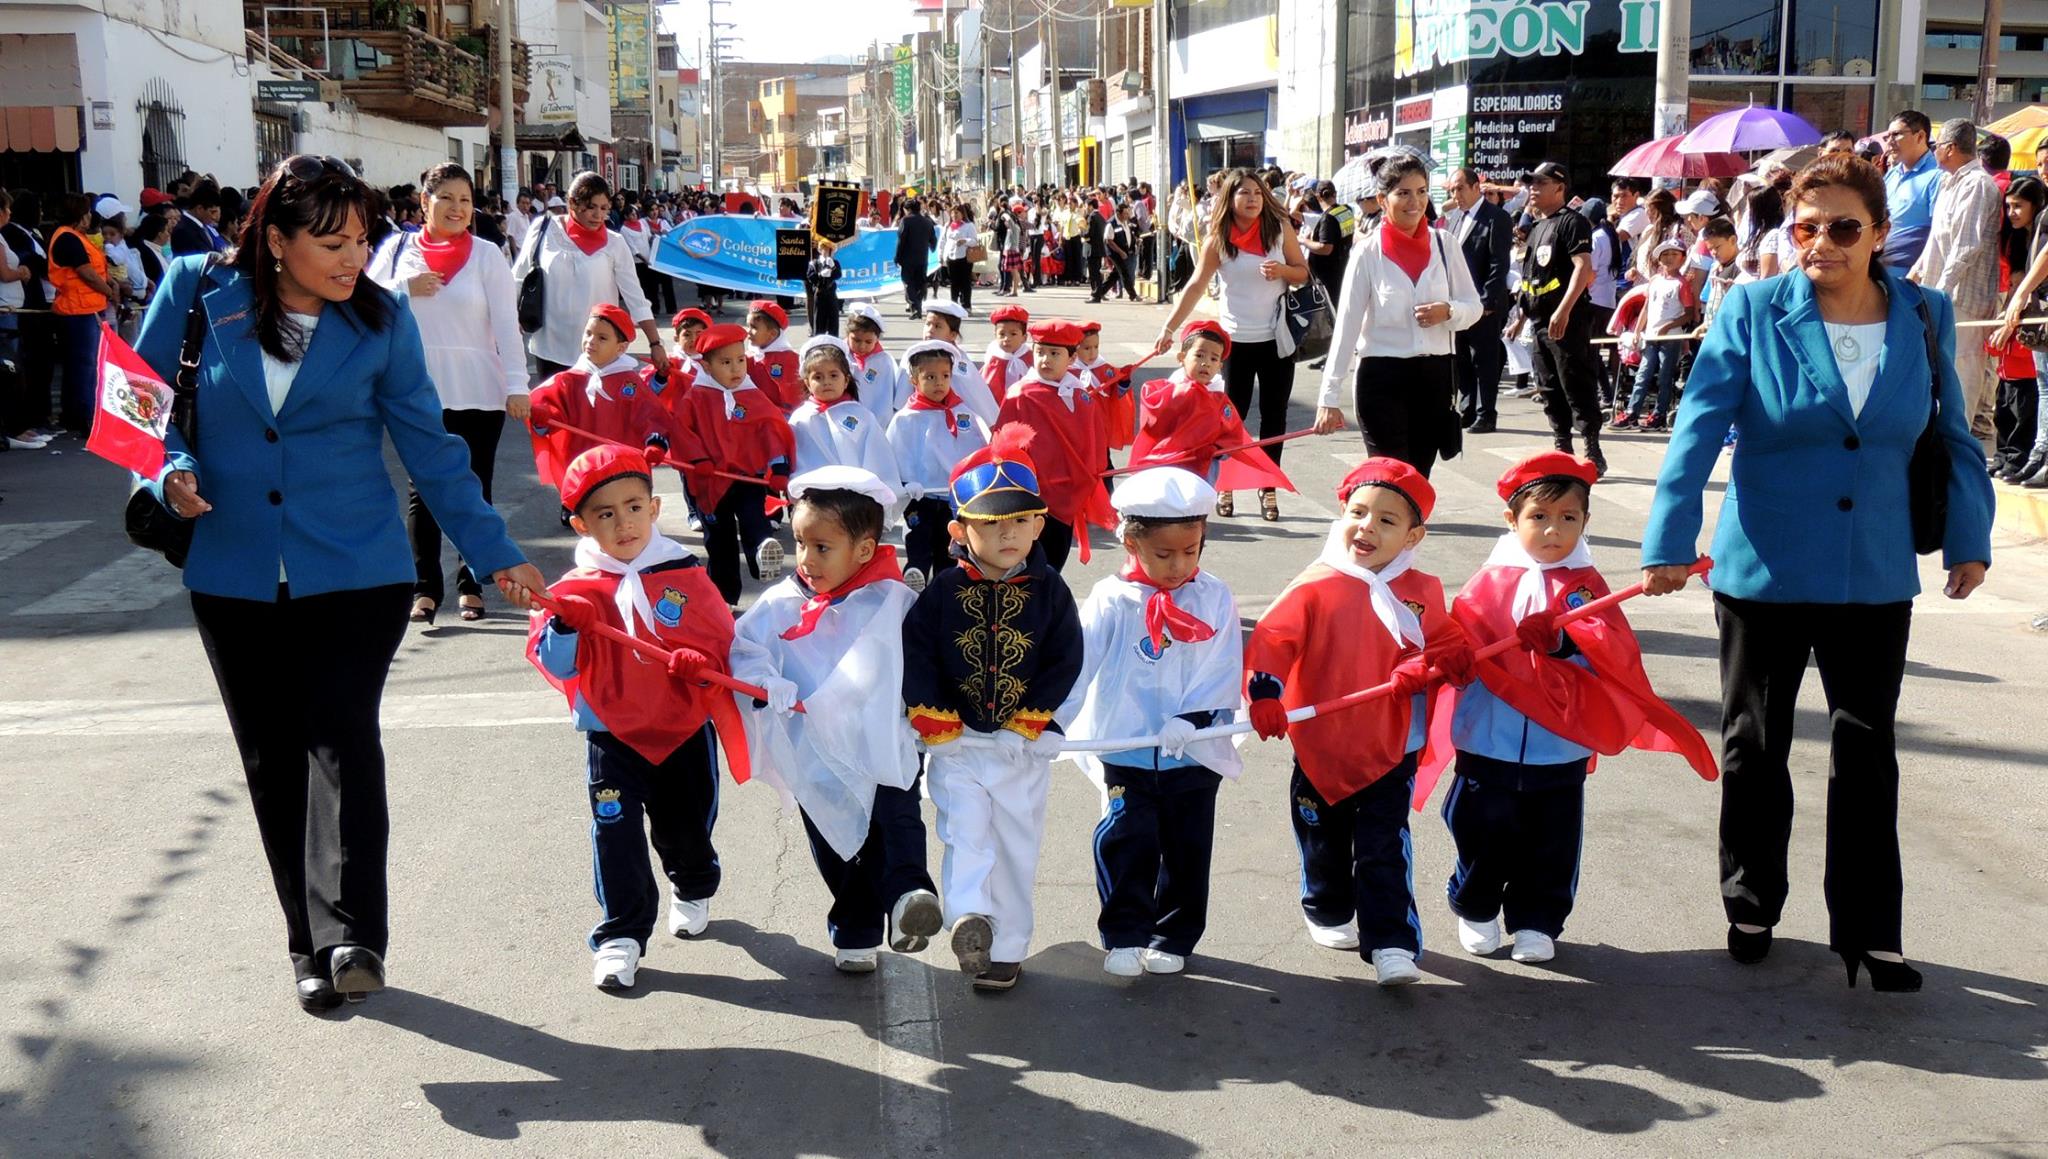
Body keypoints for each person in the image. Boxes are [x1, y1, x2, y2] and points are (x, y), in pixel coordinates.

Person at [141, 155, 545, 1012]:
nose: (354, 257)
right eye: (331, 243)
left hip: (358, 569)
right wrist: (168, 468)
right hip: (233, 570)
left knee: (341, 736)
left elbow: (432, 448)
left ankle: (354, 933)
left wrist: (495, 550)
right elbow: (137, 405)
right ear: (275, 240)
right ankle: (307, 944)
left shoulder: (381, 316)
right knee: (272, 761)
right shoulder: (195, 290)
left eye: (362, 238)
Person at [1639, 155, 1995, 993]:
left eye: (1842, 227)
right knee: (1755, 743)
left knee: (1867, 750)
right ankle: (1751, 899)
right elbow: (1698, 426)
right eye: (1805, 227)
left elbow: (1952, 434)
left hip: (1874, 572)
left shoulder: (1925, 313)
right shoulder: (1755, 308)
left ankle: (1872, 930)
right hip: (1763, 571)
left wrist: (1968, 540)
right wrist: (1668, 537)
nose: (1821, 243)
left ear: (1880, 234)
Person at [1422, 452, 1715, 964]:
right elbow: (1460, 639)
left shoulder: (1586, 586)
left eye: (1568, 517)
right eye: (1538, 516)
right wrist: (1450, 657)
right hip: (1487, 738)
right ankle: (1476, 904)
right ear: (1511, 519)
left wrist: (1564, 643)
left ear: (1585, 521)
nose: (1553, 530)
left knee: (1552, 840)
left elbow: (1613, 652)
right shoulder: (1487, 583)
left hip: (1560, 746)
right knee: (1478, 827)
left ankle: (1538, 919)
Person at [1243, 458, 1470, 987]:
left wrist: (1432, 662)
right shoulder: (1316, 584)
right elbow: (1273, 640)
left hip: (1391, 744)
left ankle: (1392, 942)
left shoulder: (1421, 590)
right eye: (1358, 512)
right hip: (1322, 744)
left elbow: (1449, 643)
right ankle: (1326, 907)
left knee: (1382, 845)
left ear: (1412, 536)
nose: (1367, 527)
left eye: (1387, 520)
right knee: (1322, 837)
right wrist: (1264, 693)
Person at [529, 445, 747, 990]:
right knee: (615, 833)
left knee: (685, 826)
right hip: (612, 736)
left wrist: (700, 661)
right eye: (605, 513)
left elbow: (723, 641)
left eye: (633, 507)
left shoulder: (685, 574)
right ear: (582, 524)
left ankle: (692, 882)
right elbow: (555, 663)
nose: (623, 523)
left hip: (682, 731)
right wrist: (566, 626)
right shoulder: (572, 590)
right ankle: (621, 934)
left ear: (654, 508)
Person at [729, 468, 944, 972]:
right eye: (800, 542)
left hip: (883, 742)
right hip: (817, 750)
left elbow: (927, 662)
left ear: (865, 550)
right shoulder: (782, 603)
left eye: (822, 547)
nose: (806, 558)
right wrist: (766, 682)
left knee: (898, 818)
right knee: (835, 839)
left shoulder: (895, 601)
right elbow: (745, 650)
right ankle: (856, 928)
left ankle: (910, 896)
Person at [901, 425, 1085, 992]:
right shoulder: (941, 592)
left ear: (1039, 525)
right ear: (959, 531)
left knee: (1014, 846)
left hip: (1018, 750)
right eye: (991, 523)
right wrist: (936, 723)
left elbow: (1066, 660)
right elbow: (919, 655)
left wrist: (1037, 721)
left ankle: (1005, 949)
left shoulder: (1051, 592)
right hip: (957, 746)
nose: (1009, 533)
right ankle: (968, 919)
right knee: (965, 831)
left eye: (1021, 521)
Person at [1057, 467, 1243, 978]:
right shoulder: (1111, 598)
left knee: (1188, 847)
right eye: (1164, 554)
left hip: (1194, 748)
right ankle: (1124, 933)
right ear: (1131, 542)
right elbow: (1079, 664)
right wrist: (1051, 721)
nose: (1179, 565)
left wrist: (1194, 716)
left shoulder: (1214, 595)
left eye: (1191, 551)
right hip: (1128, 747)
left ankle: (1173, 934)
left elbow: (1223, 662)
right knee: (1127, 837)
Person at [368, 163, 529, 624]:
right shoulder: (398, 250)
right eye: (446, 198)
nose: (457, 208)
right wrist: (405, 287)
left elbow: (506, 324)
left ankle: (470, 585)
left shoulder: (487, 254)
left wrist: (517, 384)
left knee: (474, 488)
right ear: (425, 202)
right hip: (416, 392)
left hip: (479, 389)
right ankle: (425, 589)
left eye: (465, 200)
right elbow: (361, 298)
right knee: (423, 491)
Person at [1153, 168, 1312, 522]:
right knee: (1230, 418)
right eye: (1244, 193)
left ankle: (1268, 486)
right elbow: (1196, 285)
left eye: (1257, 192)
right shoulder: (1219, 239)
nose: (1253, 199)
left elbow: (1303, 272)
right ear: (1230, 197)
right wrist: (1169, 327)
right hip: (1234, 343)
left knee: (1274, 417)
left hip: (1277, 340)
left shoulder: (1279, 228)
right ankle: (1225, 483)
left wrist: (1283, 271)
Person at [1313, 156, 1482, 478]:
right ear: (1382, 199)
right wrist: (1328, 397)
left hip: (1435, 378)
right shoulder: (1367, 253)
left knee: (1417, 479)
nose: (1414, 202)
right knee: (1390, 479)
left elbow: (1473, 307)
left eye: (1421, 191)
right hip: (1381, 378)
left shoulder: (1445, 244)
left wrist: (1449, 311)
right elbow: (1347, 327)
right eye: (1403, 193)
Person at [675, 322, 794, 605]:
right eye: (726, 362)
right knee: (719, 540)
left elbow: (770, 430)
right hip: (711, 481)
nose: (736, 369)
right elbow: (681, 432)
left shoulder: (752, 395)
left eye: (740, 360)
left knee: (755, 518)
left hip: (747, 477)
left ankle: (761, 553)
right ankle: (724, 596)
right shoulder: (696, 397)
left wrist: (778, 466)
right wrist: (698, 458)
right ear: (706, 366)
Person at [511, 171, 668, 380]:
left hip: (599, 351)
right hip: (550, 348)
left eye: (604, 208)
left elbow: (636, 298)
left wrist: (655, 343)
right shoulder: (544, 229)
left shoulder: (615, 243)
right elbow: (517, 278)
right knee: (552, 402)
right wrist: (506, 322)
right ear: (572, 203)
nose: (598, 215)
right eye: (591, 207)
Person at [993, 319, 1116, 570]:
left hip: (1070, 494)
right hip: (1032, 496)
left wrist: (1090, 476)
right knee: (1026, 565)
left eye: (1054, 354)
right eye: (1040, 352)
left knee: (1054, 564)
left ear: (1072, 358)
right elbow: (1002, 447)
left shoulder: (1080, 395)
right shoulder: (1021, 394)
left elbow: (1095, 442)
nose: (1045, 359)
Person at [1909, 118, 2004, 440]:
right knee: (1938, 368)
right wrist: (1916, 274)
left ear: (1949, 148)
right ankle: (1939, 440)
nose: (1933, 151)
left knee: (1962, 372)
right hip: (1938, 291)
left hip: (1963, 296)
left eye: (1936, 146)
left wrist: (1941, 292)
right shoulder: (1948, 182)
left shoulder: (1977, 184)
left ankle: (1958, 444)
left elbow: (1967, 246)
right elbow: (1937, 239)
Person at [1517, 162, 1608, 475]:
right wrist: (1520, 318)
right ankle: (1562, 447)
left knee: (1576, 382)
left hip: (1567, 320)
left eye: (1540, 183)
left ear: (1559, 187)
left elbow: (1583, 267)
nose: (1533, 189)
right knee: (1548, 387)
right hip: (1539, 321)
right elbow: (1532, 278)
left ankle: (1592, 448)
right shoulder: (1537, 227)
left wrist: (1564, 309)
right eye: (1531, 183)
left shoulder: (1572, 222)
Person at [888, 339, 991, 589]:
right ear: (914, 380)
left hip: (952, 497)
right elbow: (894, 454)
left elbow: (976, 449)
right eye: (930, 377)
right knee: (918, 539)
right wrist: (905, 482)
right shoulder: (906, 418)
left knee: (949, 545)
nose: (939, 383)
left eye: (945, 376)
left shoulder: (963, 412)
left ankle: (946, 588)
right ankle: (915, 575)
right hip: (920, 496)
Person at [788, 335, 901, 504]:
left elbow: (878, 458)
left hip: (853, 499)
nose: (826, 382)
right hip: (814, 499)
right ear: (807, 382)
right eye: (818, 377)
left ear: (846, 379)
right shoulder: (801, 418)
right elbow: (796, 460)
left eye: (834, 375)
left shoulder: (862, 416)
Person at [1445, 167, 1514, 434]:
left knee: (1484, 360)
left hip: (1485, 304)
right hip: (1458, 303)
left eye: (1460, 188)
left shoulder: (1496, 217)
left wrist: (1487, 301)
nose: (1456, 195)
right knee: (1461, 357)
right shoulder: (1454, 218)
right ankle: (1468, 408)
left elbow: (1499, 264)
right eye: (1452, 190)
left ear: (1476, 187)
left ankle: (1487, 413)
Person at [1992, 175, 2048, 485]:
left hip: (2036, 318)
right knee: (2032, 390)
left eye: (2018, 206)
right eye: (2008, 206)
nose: (2011, 213)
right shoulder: (2018, 238)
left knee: (2034, 392)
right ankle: (2027, 456)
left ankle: (2030, 456)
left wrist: (2019, 300)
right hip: (2029, 319)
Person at [1611, 241, 1697, 431]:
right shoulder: (1655, 280)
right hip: (1650, 336)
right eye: (1665, 255)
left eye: (1674, 255)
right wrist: (1637, 331)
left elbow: (1689, 313)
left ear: (1682, 258)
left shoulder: (1681, 284)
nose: (1669, 259)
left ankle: (1659, 414)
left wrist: (1669, 326)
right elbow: (1647, 307)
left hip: (1670, 338)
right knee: (1643, 373)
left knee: (1665, 376)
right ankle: (1632, 412)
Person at [908, 299, 999, 424]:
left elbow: (977, 398)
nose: (930, 330)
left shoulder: (958, 362)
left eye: (938, 326)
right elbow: (903, 396)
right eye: (928, 324)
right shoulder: (913, 356)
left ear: (953, 335)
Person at [1882, 110, 1943, 275]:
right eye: (1887, 136)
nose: (1890, 142)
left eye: (1896, 135)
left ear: (1920, 136)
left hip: (1912, 275)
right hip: (1881, 270)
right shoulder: (1892, 175)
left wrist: (1918, 272)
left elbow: (1939, 232)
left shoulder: (1938, 176)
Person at [744, 298, 803, 413]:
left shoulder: (789, 359)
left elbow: (793, 395)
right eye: (748, 326)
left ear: (772, 333)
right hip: (754, 412)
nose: (748, 331)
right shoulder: (747, 357)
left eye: (754, 327)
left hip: (781, 414)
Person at [843, 302, 898, 420]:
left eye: (868, 342)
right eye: (856, 340)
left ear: (877, 339)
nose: (862, 346)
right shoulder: (840, 356)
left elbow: (887, 396)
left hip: (876, 420)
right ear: (848, 334)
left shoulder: (884, 362)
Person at [980, 302, 1034, 402]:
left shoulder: (1030, 357)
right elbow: (985, 385)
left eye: (1013, 334)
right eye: (1002, 334)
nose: (1006, 339)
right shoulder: (994, 358)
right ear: (995, 335)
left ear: (1024, 337)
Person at [894, 197, 936, 318]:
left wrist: (897, 256)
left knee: (908, 282)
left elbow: (901, 240)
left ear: (907, 209)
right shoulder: (927, 221)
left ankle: (915, 306)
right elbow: (933, 240)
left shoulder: (906, 220)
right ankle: (918, 305)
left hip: (908, 257)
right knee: (920, 282)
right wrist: (932, 247)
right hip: (923, 257)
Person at [940, 203, 980, 313]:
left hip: (964, 257)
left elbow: (974, 241)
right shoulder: (948, 226)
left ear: (962, 214)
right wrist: (941, 255)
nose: (954, 215)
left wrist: (965, 241)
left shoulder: (969, 226)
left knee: (965, 282)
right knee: (954, 282)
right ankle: (953, 304)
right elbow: (942, 241)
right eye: (952, 213)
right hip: (950, 257)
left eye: (957, 213)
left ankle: (966, 304)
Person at [806, 238, 842, 338]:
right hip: (820, 294)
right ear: (820, 249)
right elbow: (810, 277)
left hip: (831, 294)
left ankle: (833, 340)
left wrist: (833, 267)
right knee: (819, 320)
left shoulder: (835, 262)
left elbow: (838, 275)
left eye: (830, 250)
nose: (827, 252)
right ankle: (818, 340)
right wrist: (820, 275)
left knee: (833, 320)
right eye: (825, 249)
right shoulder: (814, 263)